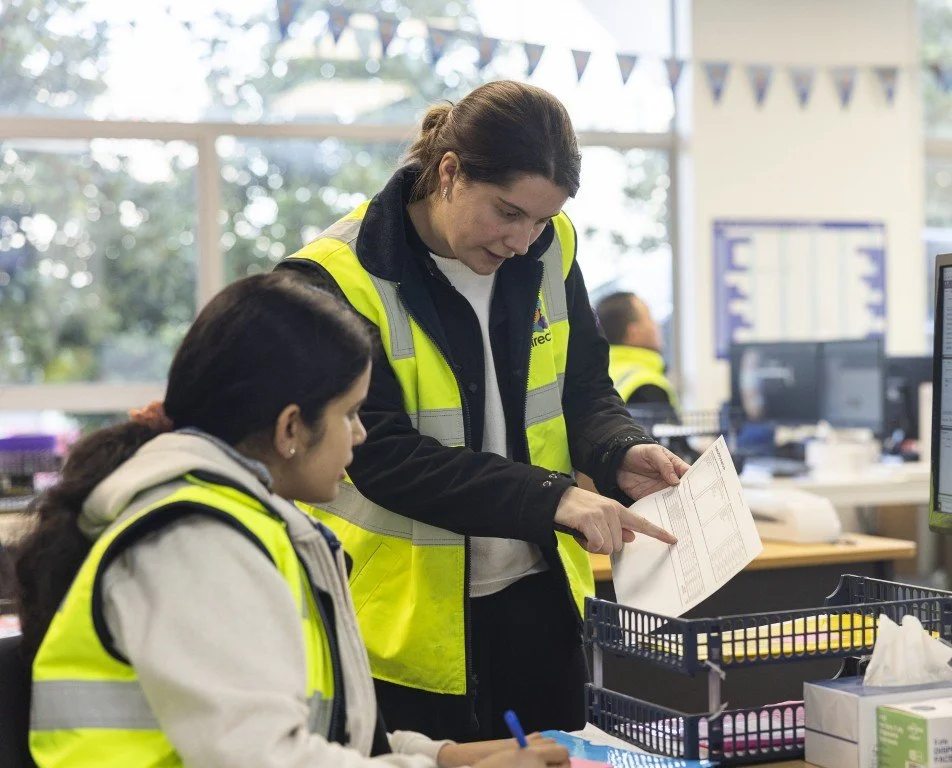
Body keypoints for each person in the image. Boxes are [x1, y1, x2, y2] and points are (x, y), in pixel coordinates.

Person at [12, 273, 568, 768]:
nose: (360, 434)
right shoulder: (197, 543)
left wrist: (446, 757)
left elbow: (320, 736)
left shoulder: (244, 525)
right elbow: (264, 758)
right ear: (290, 430)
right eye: (349, 413)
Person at [275, 80, 689, 741]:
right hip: (400, 633)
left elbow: (583, 387)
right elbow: (379, 454)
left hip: (539, 605)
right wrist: (555, 498)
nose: (522, 241)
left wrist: (617, 449)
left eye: (540, 219)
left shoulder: (551, 248)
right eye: (507, 213)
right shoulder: (335, 278)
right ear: (449, 172)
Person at [595, 292, 679, 410]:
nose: (657, 325)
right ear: (633, 333)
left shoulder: (599, 373)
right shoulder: (648, 387)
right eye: (649, 318)